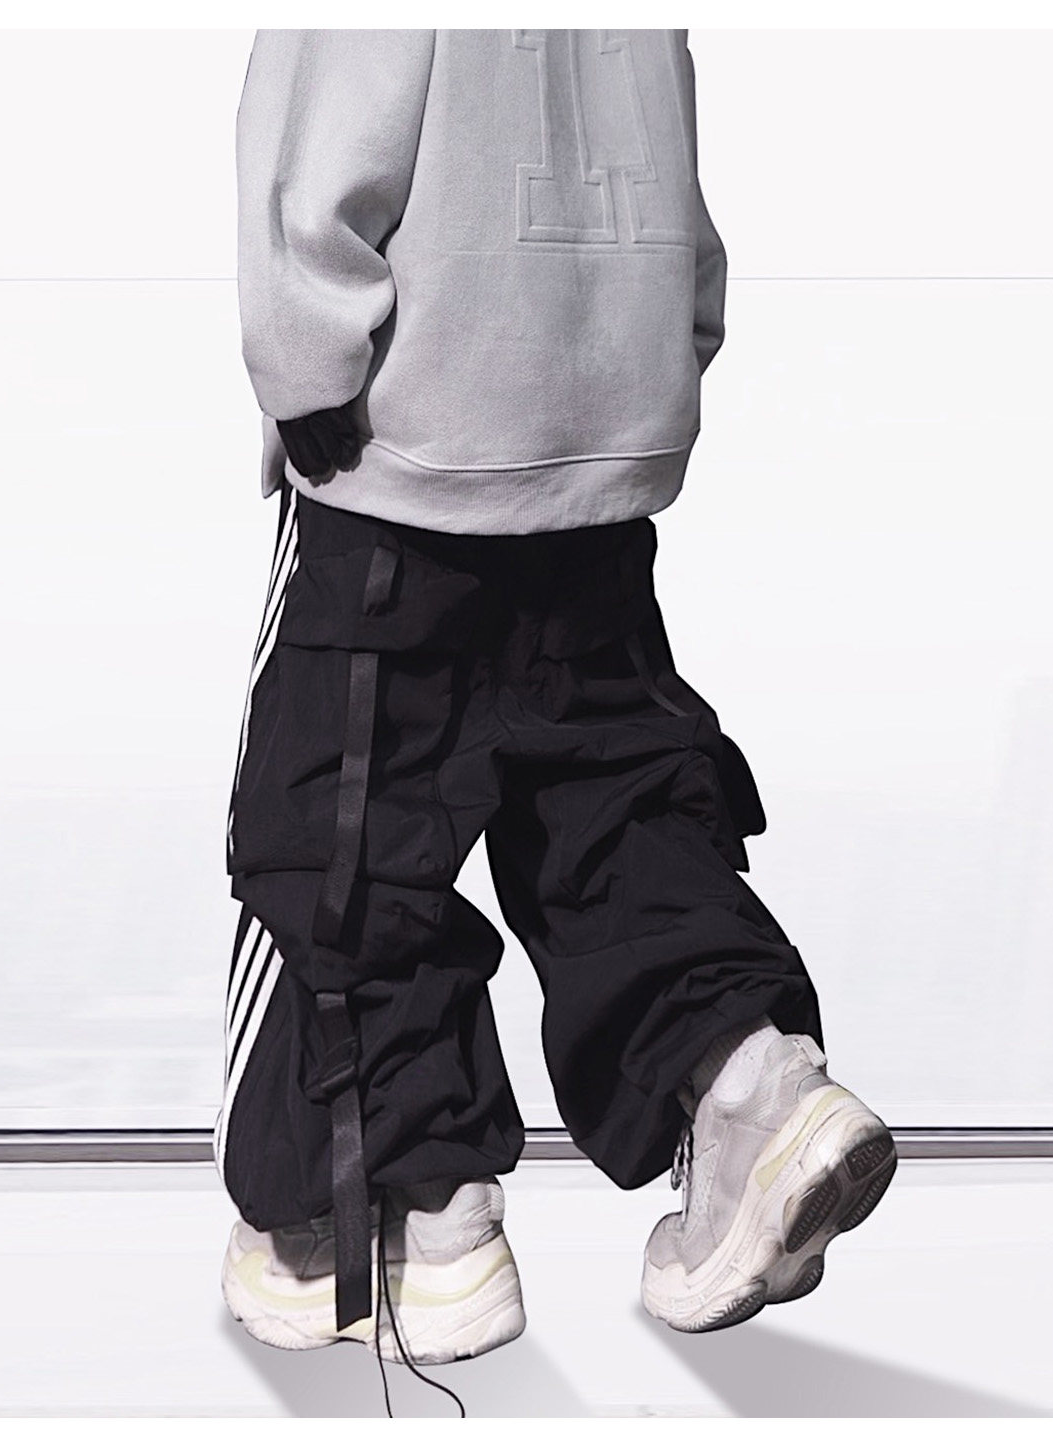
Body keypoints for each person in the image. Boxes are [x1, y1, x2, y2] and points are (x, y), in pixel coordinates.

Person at [216, 27, 897, 1376]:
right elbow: (674, 166)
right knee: (610, 803)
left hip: (407, 446)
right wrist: (650, 357)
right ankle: (754, 1089)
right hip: (604, 435)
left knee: (341, 838)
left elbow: (318, 164)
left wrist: (307, 378)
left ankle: (407, 1225)